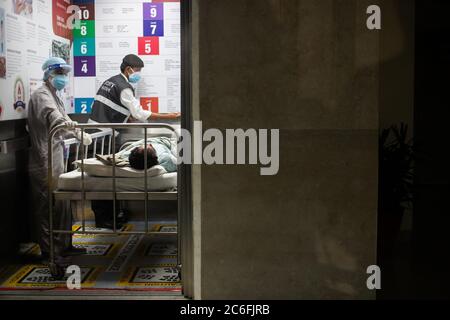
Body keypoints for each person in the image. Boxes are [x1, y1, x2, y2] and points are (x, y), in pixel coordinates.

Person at [89, 54, 180, 229]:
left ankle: (111, 216)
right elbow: (139, 113)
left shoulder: (111, 81)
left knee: (105, 176)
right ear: (128, 69)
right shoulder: (124, 87)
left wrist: (127, 117)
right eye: (137, 70)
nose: (138, 74)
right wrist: (171, 116)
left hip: (96, 132)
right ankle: (105, 218)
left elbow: (115, 107)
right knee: (103, 178)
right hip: (103, 135)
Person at [27, 57, 92, 262]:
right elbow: (56, 119)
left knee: (62, 202)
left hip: (56, 154)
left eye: (65, 73)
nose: (63, 77)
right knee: (48, 203)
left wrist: (75, 131)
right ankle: (49, 251)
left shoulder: (54, 94)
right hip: (43, 157)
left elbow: (63, 120)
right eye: (59, 73)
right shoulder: (41, 95)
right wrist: (76, 130)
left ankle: (65, 244)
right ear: (48, 74)